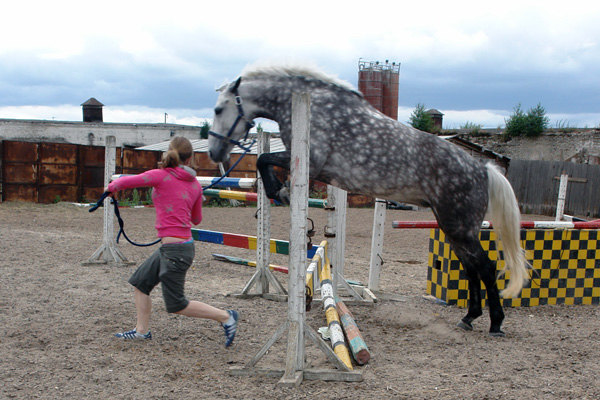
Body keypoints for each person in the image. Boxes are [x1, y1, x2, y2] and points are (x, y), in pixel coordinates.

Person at [107, 136, 238, 347]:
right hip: (176, 247)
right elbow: (196, 219)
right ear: (189, 159)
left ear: (169, 153)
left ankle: (226, 316)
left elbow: (127, 181)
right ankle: (142, 331)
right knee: (140, 283)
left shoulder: (160, 176)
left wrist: (110, 188)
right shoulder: (194, 184)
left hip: (175, 251)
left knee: (177, 304)